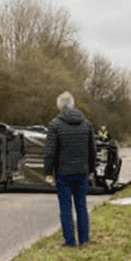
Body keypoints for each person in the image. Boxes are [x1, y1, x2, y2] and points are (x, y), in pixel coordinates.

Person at [43, 91, 96, 247]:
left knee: (65, 208)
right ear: (73, 104)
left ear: (59, 106)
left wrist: (48, 172)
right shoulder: (86, 124)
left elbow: (50, 151)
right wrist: (91, 170)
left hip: (63, 173)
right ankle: (85, 239)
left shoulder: (55, 125)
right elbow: (92, 150)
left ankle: (70, 241)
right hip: (82, 172)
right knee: (82, 206)